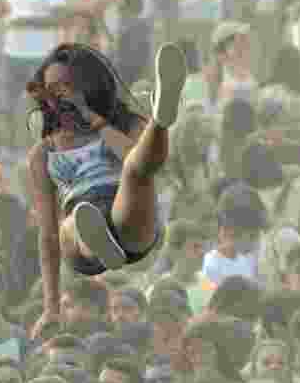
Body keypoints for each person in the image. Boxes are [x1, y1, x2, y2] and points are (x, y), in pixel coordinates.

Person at [28, 43, 187, 338]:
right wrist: (51, 308)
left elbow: (140, 161)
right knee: (75, 219)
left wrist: (94, 119)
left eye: (66, 87)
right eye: (51, 89)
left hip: (126, 213)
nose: (59, 97)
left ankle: (162, 118)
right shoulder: (43, 152)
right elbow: (47, 234)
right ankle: (95, 241)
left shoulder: (123, 124)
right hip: (78, 235)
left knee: (134, 171)